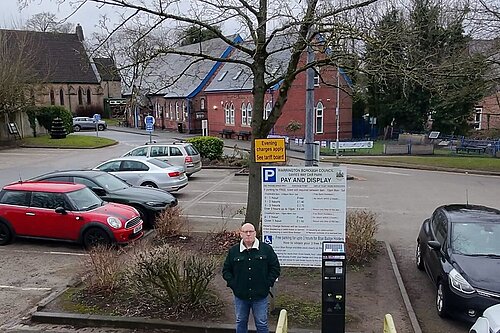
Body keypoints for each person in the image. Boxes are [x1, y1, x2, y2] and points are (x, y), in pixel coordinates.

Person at [222, 223, 281, 333]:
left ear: (255, 233)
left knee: (261, 323)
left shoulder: (266, 249)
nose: (248, 234)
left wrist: (267, 283)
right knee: (240, 322)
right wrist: (234, 284)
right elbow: (226, 270)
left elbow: (275, 268)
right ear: (241, 234)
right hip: (241, 296)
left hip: (260, 296)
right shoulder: (234, 251)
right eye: (245, 232)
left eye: (251, 231)